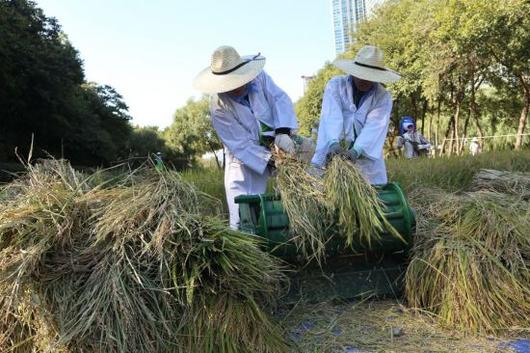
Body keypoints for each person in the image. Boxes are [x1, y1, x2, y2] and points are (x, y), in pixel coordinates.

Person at [193, 45, 302, 229]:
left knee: (297, 192)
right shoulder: (218, 107)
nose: (235, 87)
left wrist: (282, 131)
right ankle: (249, 249)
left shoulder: (260, 78)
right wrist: (272, 160)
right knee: (243, 216)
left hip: (277, 142)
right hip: (244, 161)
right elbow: (240, 144)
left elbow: (279, 99)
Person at [310, 45, 400, 184]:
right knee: (323, 191)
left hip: (365, 160)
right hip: (332, 154)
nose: (365, 80)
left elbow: (375, 127)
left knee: (368, 192)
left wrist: (356, 151)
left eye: (370, 77)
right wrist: (334, 143)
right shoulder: (335, 86)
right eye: (362, 75)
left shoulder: (382, 97)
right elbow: (331, 116)